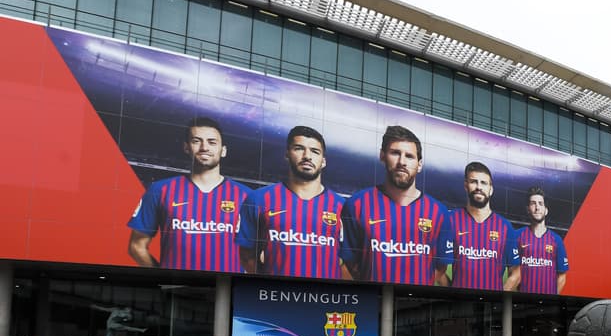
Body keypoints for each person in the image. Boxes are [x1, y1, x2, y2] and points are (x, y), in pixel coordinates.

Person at [127, 117, 251, 272]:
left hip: (227, 286)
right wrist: (162, 277)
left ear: (223, 150)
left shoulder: (247, 196)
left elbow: (260, 253)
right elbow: (136, 246)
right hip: (177, 286)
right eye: (196, 141)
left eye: (212, 142)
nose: (204, 147)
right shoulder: (160, 190)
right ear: (186, 147)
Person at [341, 125, 454, 285]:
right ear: (382, 156)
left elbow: (441, 266)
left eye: (409, 156)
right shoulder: (357, 204)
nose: (402, 162)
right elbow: (350, 261)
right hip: (372, 298)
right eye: (395, 153)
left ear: (419, 165)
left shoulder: (439, 212)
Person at [238, 126, 344, 278]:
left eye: (315, 151)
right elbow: (246, 255)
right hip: (275, 292)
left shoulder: (343, 207)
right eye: (299, 148)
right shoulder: (259, 199)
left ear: (323, 161)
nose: (307, 156)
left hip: (325, 292)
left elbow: (350, 261)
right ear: (287, 154)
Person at [446, 162, 521, 291]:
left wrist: (500, 295)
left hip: (492, 303)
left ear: (491, 190)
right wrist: (450, 292)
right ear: (466, 186)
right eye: (474, 182)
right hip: (459, 301)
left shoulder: (505, 226)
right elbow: (434, 261)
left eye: (484, 183)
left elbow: (517, 270)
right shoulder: (451, 219)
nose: (479, 187)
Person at [516, 187, 569, 294]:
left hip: (547, 301)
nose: (537, 208)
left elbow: (562, 276)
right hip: (522, 300)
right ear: (528, 209)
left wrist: (552, 297)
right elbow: (511, 271)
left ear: (546, 210)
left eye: (540, 204)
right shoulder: (517, 235)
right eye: (533, 203)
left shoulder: (556, 239)